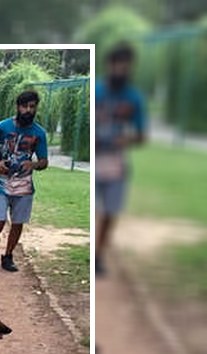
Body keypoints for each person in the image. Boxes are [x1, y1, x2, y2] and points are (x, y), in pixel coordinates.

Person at [0, 90, 49, 272]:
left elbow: (44, 162)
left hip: (24, 185)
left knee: (18, 223)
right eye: (24, 106)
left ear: (35, 109)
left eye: (32, 107)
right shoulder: (1, 127)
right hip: (0, 182)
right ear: (18, 107)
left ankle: (8, 256)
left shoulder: (39, 133)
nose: (28, 110)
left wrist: (33, 165)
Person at [95, 42, 145, 277]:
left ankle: (98, 254)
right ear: (110, 65)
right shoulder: (97, 92)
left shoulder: (134, 97)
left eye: (125, 67)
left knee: (110, 212)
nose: (120, 71)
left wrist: (123, 140)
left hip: (116, 162)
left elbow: (141, 135)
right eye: (117, 65)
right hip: (95, 159)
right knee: (93, 209)